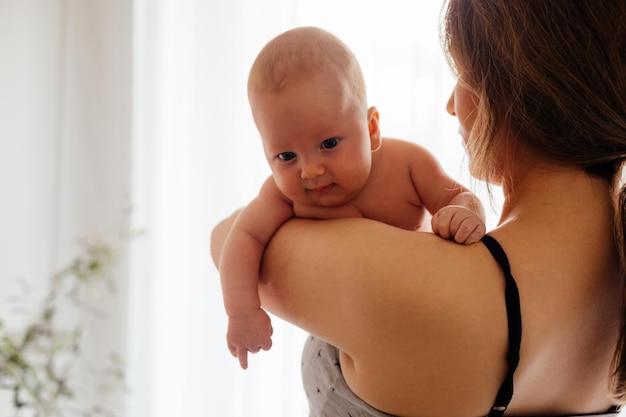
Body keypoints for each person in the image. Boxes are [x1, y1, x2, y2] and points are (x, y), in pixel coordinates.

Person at [212, 0, 626, 416]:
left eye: (463, 76)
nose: (450, 103)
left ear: (510, 94)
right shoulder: (616, 293)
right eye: (287, 156)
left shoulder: (427, 285)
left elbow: (226, 237)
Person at [219, 26, 486, 370]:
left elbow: (461, 198)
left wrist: (464, 213)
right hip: (340, 347)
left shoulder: (408, 165)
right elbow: (242, 237)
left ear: (371, 128)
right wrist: (241, 310)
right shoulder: (280, 195)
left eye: (329, 144)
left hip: (421, 329)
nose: (310, 171)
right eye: (286, 156)